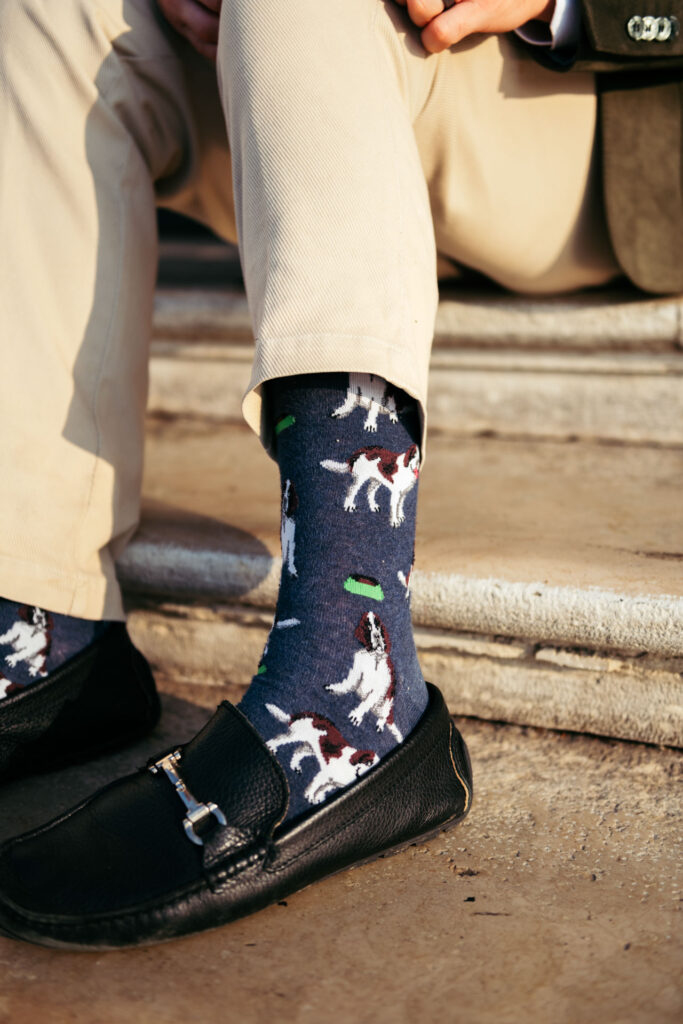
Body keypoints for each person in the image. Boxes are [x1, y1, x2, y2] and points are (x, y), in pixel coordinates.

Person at [0, 0, 680, 949]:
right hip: (310, 71)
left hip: (593, 120)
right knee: (53, 9)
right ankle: (42, 626)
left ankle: (347, 681)